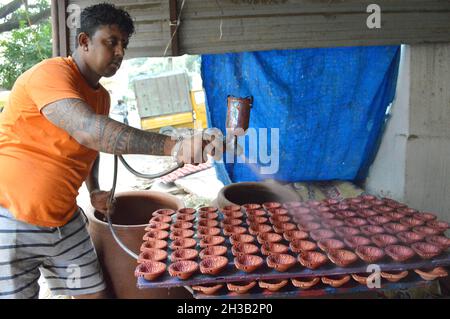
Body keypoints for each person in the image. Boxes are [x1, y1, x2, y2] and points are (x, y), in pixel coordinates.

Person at [0, 3, 214, 299]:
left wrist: (95, 190)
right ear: (84, 41)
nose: (120, 52)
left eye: (124, 44)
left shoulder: (101, 97)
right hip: (12, 221)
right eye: (110, 42)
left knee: (96, 295)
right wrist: (175, 147)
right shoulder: (50, 75)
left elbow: (88, 146)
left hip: (64, 221)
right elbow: (89, 130)